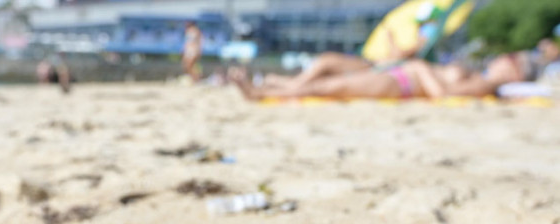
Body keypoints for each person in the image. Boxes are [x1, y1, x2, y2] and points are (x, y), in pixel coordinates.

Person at [262, 2, 446, 92]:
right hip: (378, 65)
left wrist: (392, 40)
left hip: (383, 69)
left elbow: (402, 55)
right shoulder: (423, 34)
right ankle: (288, 84)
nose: (422, 26)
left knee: (329, 72)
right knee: (326, 62)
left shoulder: (426, 35)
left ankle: (286, 85)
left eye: (425, 22)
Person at [229, 52, 537, 101]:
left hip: (402, 81)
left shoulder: (488, 83)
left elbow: (443, 95)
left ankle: (259, 93)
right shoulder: (479, 73)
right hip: (400, 69)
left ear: (516, 71)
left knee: (330, 85)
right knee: (326, 61)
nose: (501, 59)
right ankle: (276, 83)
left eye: (510, 60)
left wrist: (420, 68)